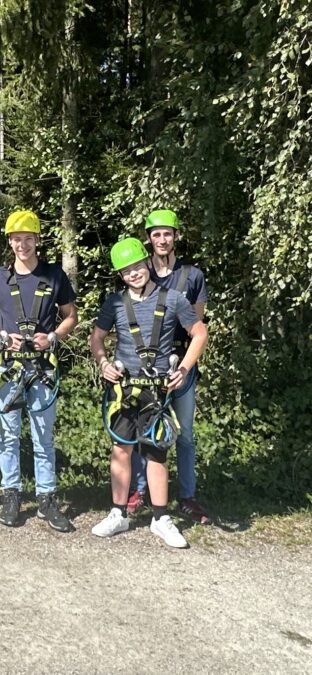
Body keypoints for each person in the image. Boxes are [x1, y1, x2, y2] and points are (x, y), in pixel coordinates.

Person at [88, 237, 207, 549]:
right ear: (120, 275)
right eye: (126, 271)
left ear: (147, 263)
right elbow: (97, 338)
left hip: (155, 390)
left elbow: (199, 332)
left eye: (138, 267)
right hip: (124, 389)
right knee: (121, 450)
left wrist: (183, 368)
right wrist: (103, 363)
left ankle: (160, 517)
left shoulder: (174, 299)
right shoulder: (114, 302)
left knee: (156, 452)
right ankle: (118, 513)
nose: (134, 274)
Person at [0, 210, 78, 531]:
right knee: (8, 436)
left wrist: (52, 337)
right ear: (9, 241)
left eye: (28, 238)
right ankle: (12, 494)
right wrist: (1, 337)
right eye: (16, 239)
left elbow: (70, 317)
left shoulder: (54, 276)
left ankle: (46, 498)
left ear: (37, 240)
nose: (22, 244)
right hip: (8, 368)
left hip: (42, 368)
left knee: (42, 437)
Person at [128, 209, 211, 523]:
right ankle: (137, 492)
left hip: (180, 364)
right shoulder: (138, 270)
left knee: (185, 434)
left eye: (167, 233)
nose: (162, 239)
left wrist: (185, 368)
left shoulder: (192, 276)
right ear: (148, 238)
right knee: (141, 430)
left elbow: (197, 327)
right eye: (156, 234)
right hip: (146, 366)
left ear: (176, 236)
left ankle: (187, 497)